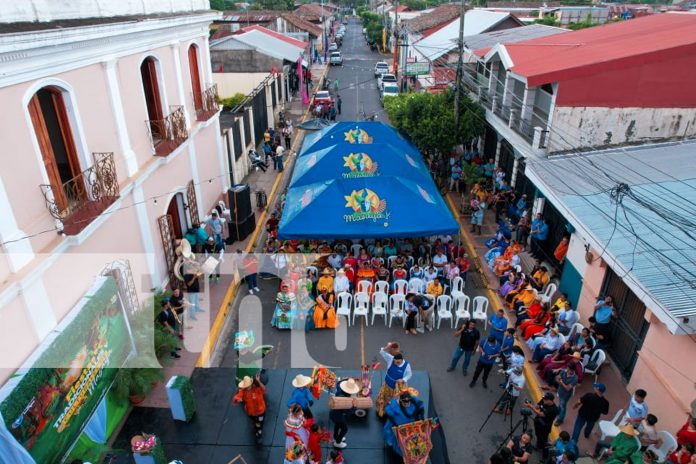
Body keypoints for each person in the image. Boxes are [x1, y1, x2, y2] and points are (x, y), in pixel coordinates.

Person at [376, 342, 413, 418]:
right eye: (395, 362)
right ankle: (381, 412)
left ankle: (391, 414)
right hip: (387, 385)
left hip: (397, 388)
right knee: (382, 399)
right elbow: (381, 352)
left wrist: (403, 379)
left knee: (394, 403)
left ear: (402, 360)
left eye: (398, 363)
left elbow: (409, 375)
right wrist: (387, 347)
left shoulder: (407, 365)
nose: (396, 364)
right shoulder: (390, 359)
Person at [383, 392, 425, 457]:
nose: (407, 404)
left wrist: (421, 418)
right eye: (405, 403)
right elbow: (388, 410)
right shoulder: (395, 405)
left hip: (411, 427)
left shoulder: (414, 401)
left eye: (408, 402)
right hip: (399, 427)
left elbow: (420, 405)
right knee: (398, 442)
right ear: (401, 401)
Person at [232, 374, 267, 444]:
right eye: (246, 386)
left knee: (259, 424)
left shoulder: (257, 389)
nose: (247, 387)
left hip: (260, 411)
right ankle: (258, 430)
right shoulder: (243, 391)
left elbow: (264, 390)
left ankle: (259, 435)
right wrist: (237, 400)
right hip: (251, 412)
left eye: (248, 385)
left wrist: (258, 381)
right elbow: (236, 397)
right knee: (256, 423)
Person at [330, 377, 360, 449]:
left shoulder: (339, 390)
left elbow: (338, 384)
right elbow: (348, 412)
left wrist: (344, 380)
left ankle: (335, 437)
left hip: (333, 413)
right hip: (339, 416)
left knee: (337, 425)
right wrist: (354, 406)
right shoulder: (345, 400)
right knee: (344, 428)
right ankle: (338, 442)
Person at [530, 392, 559, 458]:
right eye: (543, 399)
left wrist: (531, 407)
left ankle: (545, 457)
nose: (543, 400)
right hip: (538, 422)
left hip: (545, 427)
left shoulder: (553, 409)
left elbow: (541, 414)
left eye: (545, 399)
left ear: (550, 400)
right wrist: (533, 406)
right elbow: (537, 406)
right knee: (537, 434)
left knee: (544, 442)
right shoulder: (543, 401)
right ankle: (538, 446)